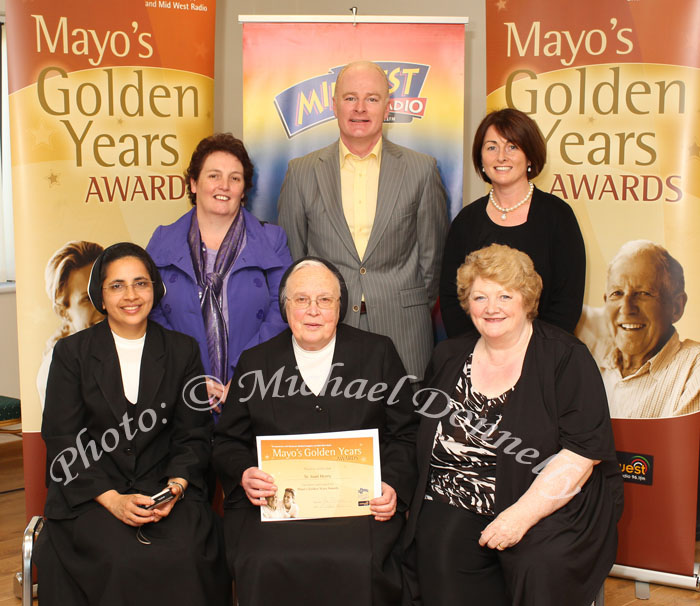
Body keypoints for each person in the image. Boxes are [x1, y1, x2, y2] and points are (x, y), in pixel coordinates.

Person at [404, 244, 622, 606]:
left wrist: (518, 517)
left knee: (538, 564)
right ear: (467, 303)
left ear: (526, 299)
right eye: (480, 297)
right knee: (438, 547)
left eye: (505, 295)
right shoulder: (448, 356)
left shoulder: (565, 357)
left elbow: (581, 456)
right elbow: (423, 436)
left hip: (547, 497)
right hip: (457, 493)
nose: (492, 308)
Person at [213, 257, 418, 606]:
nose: (313, 311)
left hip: (360, 507)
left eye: (324, 300)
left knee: (362, 562)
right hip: (277, 510)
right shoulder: (255, 361)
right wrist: (244, 474)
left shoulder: (377, 353)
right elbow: (228, 441)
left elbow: (407, 434)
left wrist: (393, 484)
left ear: (340, 306)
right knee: (262, 561)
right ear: (285, 307)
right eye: (301, 300)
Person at [35, 243, 230, 606]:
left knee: (187, 554)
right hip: (93, 495)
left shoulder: (182, 350)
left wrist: (175, 488)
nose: (131, 295)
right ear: (101, 296)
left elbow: (194, 435)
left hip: (164, 492)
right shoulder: (71, 354)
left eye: (140, 283)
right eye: (117, 286)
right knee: (120, 560)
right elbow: (63, 441)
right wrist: (113, 501)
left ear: (154, 290)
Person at [278, 60, 448, 383]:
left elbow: (433, 259)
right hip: (328, 325)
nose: (360, 108)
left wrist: (398, 299)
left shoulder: (421, 170)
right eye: (349, 98)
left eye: (371, 98)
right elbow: (295, 261)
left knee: (405, 427)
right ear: (334, 105)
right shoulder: (301, 172)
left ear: (388, 107)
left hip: (404, 327)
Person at [147, 133, 292, 410]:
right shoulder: (162, 241)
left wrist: (243, 375)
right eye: (214, 176)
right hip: (181, 387)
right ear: (193, 183)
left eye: (235, 178)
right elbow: (152, 313)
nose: (224, 186)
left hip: (257, 384)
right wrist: (190, 375)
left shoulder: (273, 240)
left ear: (244, 189)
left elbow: (283, 310)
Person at [439, 108, 585, 337]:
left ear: (530, 155)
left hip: (542, 356)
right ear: (481, 158)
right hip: (477, 355)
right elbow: (451, 298)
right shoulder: (466, 221)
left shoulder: (558, 216)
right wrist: (476, 349)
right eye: (491, 147)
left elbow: (568, 300)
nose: (501, 157)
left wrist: (535, 352)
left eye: (512, 146)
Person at [579, 240, 700, 418]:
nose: (627, 308)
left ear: (676, 307)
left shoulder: (692, 371)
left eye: (644, 293)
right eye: (617, 293)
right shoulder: (588, 364)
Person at [36, 240, 104, 408]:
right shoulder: (56, 371)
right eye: (87, 299)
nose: (103, 305)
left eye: (107, 289)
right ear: (64, 312)